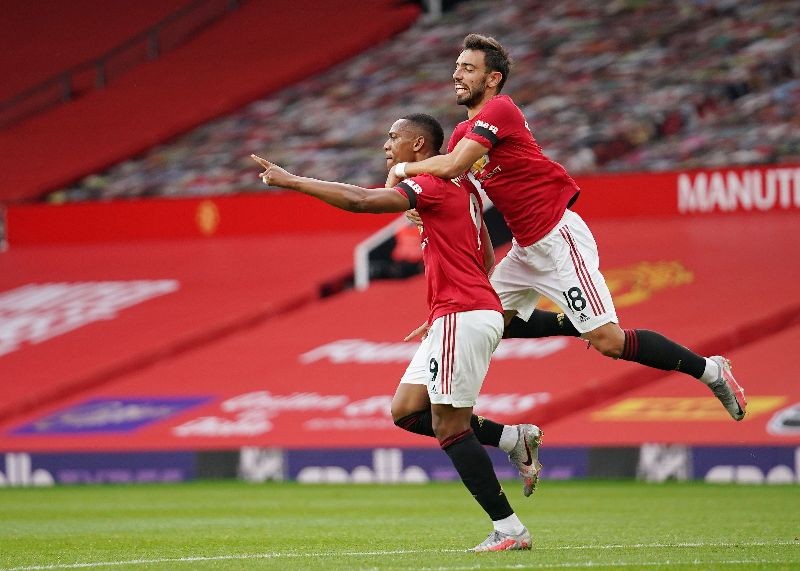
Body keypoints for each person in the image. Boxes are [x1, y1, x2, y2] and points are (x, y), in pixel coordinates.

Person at [391, 34, 747, 422]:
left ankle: (711, 371)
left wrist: (402, 169)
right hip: (526, 248)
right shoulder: (462, 134)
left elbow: (454, 167)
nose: (457, 74)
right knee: (486, 322)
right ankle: (572, 329)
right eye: (457, 66)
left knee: (610, 342)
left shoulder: (500, 110)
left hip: (558, 239)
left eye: (468, 68)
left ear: (492, 79)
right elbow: (457, 192)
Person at [252, 113, 534, 552]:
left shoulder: (431, 182)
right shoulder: (463, 188)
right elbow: (484, 256)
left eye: (393, 137)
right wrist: (447, 304)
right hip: (457, 312)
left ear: (419, 145)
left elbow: (362, 201)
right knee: (406, 411)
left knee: (449, 425)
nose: (387, 145)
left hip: (463, 314)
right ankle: (512, 438)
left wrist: (293, 180)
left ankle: (510, 530)